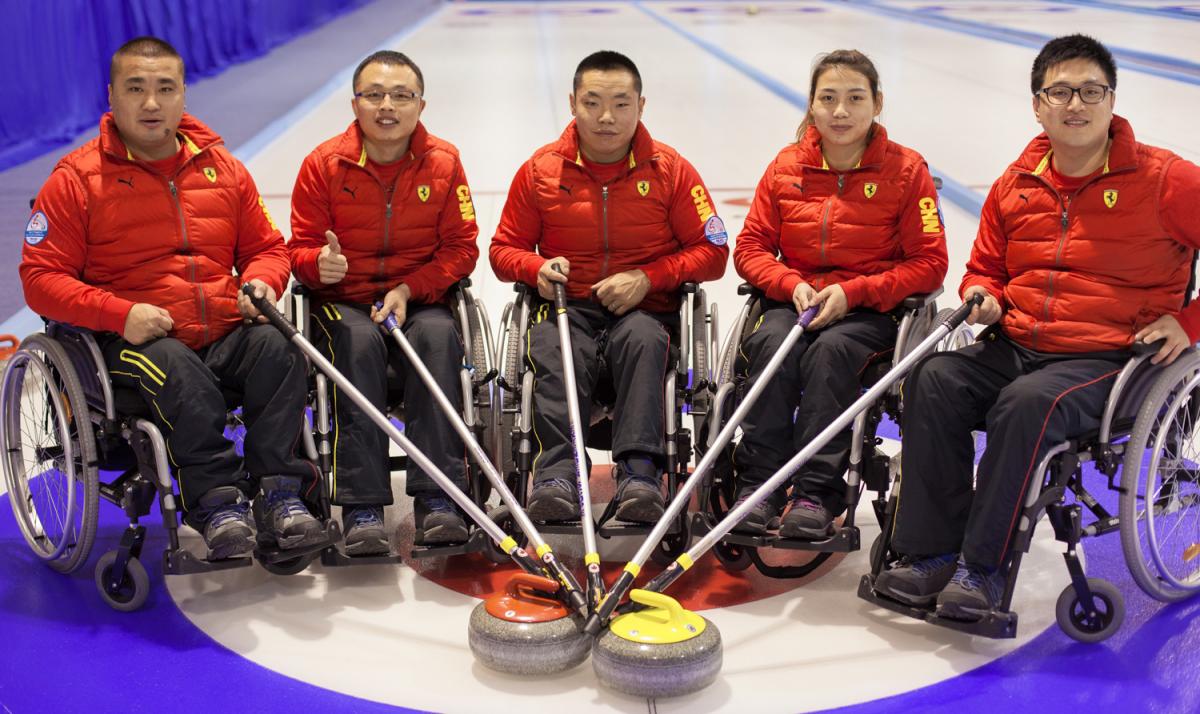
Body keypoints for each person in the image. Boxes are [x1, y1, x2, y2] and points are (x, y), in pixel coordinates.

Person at [874, 34, 1200, 620]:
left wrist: (1190, 321)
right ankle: (928, 555)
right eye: (1060, 91)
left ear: (1111, 99)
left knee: (1029, 405)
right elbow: (987, 267)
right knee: (934, 378)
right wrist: (986, 295)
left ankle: (984, 572)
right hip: (1018, 342)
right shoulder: (1016, 182)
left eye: (1090, 91)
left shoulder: (1166, 180)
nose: (1076, 104)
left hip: (1112, 359)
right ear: (1038, 104)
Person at [20, 37, 324, 561]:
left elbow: (269, 249)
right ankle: (215, 503)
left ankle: (280, 494)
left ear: (184, 93)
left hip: (224, 328)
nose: (152, 103)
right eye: (136, 89)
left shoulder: (223, 168)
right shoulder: (75, 180)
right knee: (176, 369)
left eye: (165, 89)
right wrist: (120, 313)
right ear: (111, 95)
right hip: (132, 341)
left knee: (278, 348)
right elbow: (41, 279)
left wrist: (261, 282)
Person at [490, 50, 728, 524]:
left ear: (641, 105)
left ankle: (640, 476)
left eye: (621, 104)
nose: (606, 117)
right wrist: (535, 268)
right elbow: (502, 250)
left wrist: (649, 278)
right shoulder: (540, 172)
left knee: (643, 340)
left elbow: (715, 252)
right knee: (554, 346)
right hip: (566, 308)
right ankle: (555, 477)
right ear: (573, 103)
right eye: (593, 102)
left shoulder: (672, 170)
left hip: (645, 312)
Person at [730, 50, 948, 538]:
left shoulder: (907, 171)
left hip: (867, 310)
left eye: (855, 98)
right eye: (828, 99)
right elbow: (750, 247)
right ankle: (759, 485)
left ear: (878, 104)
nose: (841, 111)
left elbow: (930, 263)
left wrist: (855, 293)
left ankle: (815, 492)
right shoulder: (786, 166)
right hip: (797, 300)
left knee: (831, 355)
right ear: (811, 105)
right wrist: (791, 284)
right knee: (768, 347)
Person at [289, 51, 479, 551]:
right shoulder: (322, 165)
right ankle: (362, 505)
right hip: (345, 302)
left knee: (439, 338)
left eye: (401, 95)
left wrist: (408, 289)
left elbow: (462, 250)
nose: (387, 106)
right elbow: (298, 250)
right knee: (355, 343)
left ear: (421, 104)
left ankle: (438, 498)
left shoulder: (444, 161)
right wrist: (318, 266)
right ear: (355, 103)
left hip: (417, 297)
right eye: (374, 95)